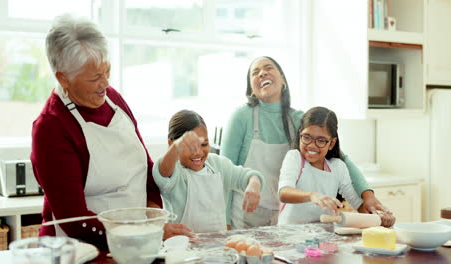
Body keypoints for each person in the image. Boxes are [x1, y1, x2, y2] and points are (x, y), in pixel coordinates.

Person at [30, 14, 192, 250]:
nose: (105, 83)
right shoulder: (51, 128)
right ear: (63, 78)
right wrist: (145, 232)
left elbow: (143, 169)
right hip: (79, 250)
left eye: (107, 71)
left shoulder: (113, 100)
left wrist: (155, 219)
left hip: (137, 245)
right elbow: (75, 220)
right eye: (95, 77)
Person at [221, 56, 395, 229]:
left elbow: (343, 160)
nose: (262, 73)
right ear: (251, 89)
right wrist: (225, 220)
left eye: (268, 68)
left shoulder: (298, 119)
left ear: (283, 79)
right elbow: (225, 171)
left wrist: (368, 195)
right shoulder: (241, 116)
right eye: (255, 72)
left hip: (281, 214)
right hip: (245, 213)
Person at [278, 107, 395, 226]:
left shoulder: (338, 167)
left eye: (321, 140)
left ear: (332, 143)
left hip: (323, 236)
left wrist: (379, 216)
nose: (312, 145)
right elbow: (284, 192)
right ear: (300, 134)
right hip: (290, 233)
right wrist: (312, 195)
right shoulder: (294, 157)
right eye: (307, 137)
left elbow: (357, 204)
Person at [152, 110, 264, 233]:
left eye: (204, 144)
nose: (198, 152)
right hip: (182, 247)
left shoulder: (218, 165)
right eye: (190, 147)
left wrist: (254, 184)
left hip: (216, 246)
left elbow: (247, 176)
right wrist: (176, 147)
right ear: (171, 144)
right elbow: (162, 172)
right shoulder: (175, 172)